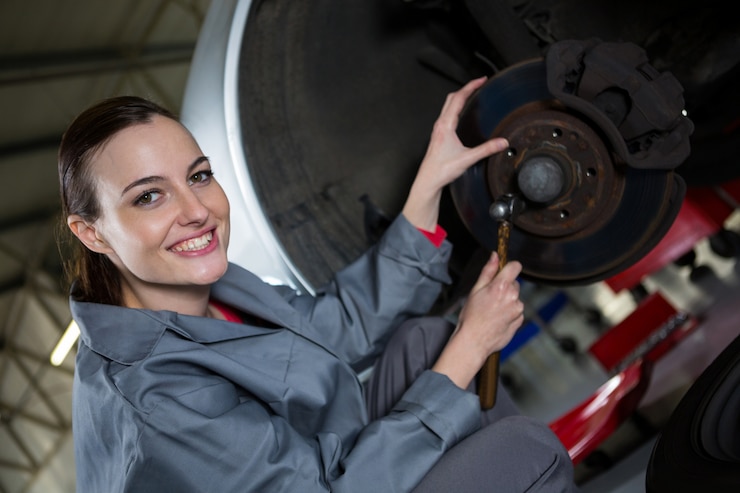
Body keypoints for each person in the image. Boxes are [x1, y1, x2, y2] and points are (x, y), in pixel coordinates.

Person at [58, 77, 578, 492]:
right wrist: (472, 347)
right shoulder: (155, 403)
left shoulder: (208, 290)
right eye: (149, 197)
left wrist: (428, 185)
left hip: (329, 471)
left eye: (198, 176)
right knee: (525, 451)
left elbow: (332, 329)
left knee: (426, 343)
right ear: (92, 233)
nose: (197, 212)